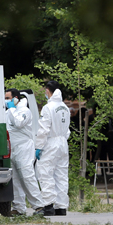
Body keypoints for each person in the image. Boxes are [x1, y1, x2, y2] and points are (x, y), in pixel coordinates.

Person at [5, 88, 45, 216]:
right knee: (15, 179)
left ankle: (39, 206)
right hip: (12, 147)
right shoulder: (7, 112)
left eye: (9, 98)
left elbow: (18, 123)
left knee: (27, 176)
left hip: (24, 147)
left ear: (16, 98)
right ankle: (18, 208)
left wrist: (11, 109)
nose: (7, 101)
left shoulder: (24, 111)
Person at [35, 81, 71, 216]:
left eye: (45, 91)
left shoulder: (48, 108)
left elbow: (43, 129)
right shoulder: (65, 107)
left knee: (46, 173)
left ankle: (48, 206)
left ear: (49, 91)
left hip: (51, 143)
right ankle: (61, 207)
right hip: (63, 142)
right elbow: (67, 130)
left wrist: (38, 146)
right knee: (61, 175)